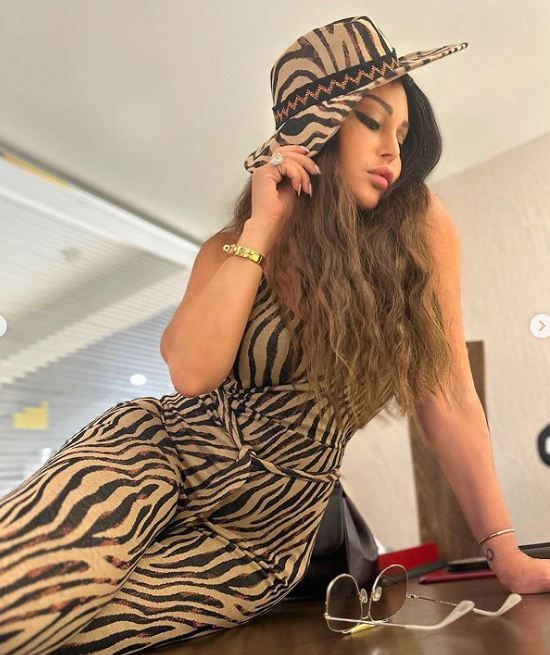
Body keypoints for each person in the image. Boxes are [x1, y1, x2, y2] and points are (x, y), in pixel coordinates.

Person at [1, 14, 548, 655]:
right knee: (23, 589)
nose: (394, 152)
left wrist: (506, 555)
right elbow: (191, 375)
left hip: (260, 535)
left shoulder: (418, 227)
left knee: (63, 636)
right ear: (320, 128)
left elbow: (449, 394)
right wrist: (261, 230)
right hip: (159, 454)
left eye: (401, 133)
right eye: (372, 122)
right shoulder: (232, 244)